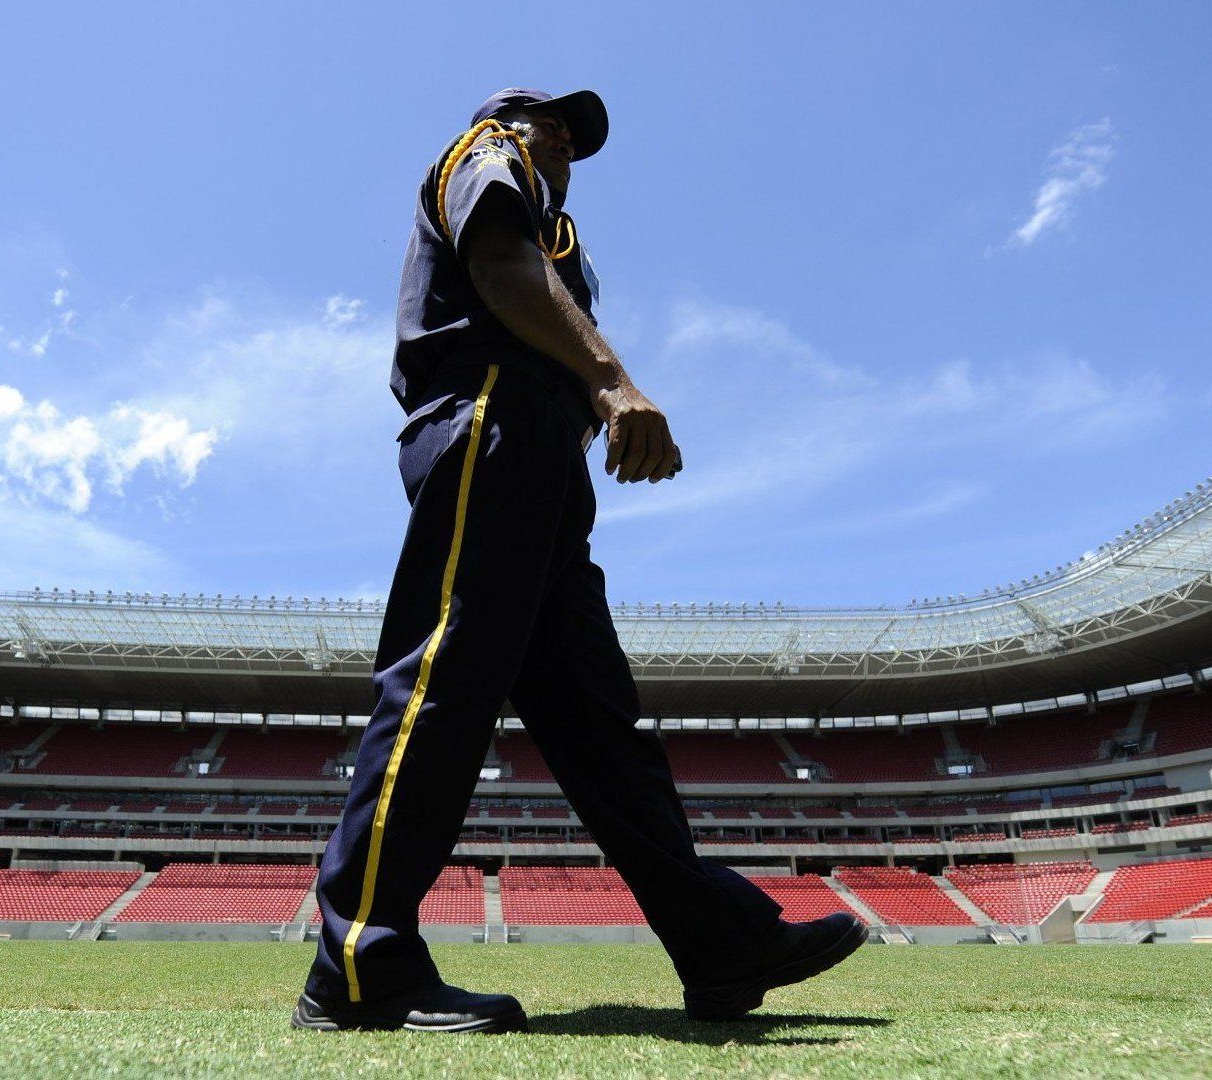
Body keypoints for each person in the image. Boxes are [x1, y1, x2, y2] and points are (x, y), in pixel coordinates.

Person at [293, 87, 865, 1034]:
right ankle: (361, 963)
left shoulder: (561, 231)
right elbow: (498, 263)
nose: (560, 135)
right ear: (507, 123)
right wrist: (612, 381)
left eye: (573, 131)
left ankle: (720, 944)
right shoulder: (483, 156)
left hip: (543, 449)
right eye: (546, 118)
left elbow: (536, 266)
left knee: (601, 725)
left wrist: (583, 400)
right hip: (488, 415)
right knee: (445, 678)